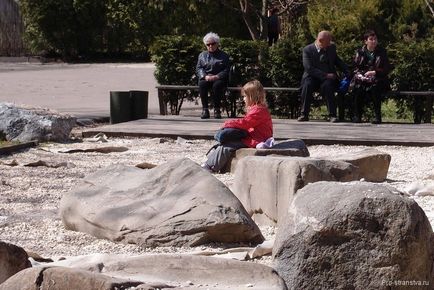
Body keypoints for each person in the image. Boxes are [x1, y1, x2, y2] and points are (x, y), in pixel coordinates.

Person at [202, 80, 273, 173]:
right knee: (226, 142)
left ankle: (211, 167)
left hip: (257, 138)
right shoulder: (258, 108)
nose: (243, 99)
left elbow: (245, 123)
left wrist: (228, 124)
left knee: (227, 146)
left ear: (252, 96)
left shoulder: (259, 110)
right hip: (254, 136)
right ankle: (210, 161)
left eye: (244, 96)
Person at [298, 31, 349, 123]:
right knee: (307, 85)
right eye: (328, 41)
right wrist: (325, 74)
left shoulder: (331, 48)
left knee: (328, 86)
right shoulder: (307, 50)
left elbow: (338, 61)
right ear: (320, 40)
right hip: (312, 77)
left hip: (327, 79)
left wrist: (348, 71)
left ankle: (332, 115)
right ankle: (304, 114)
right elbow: (309, 68)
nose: (330, 43)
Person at [350, 30, 391, 124]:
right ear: (365, 41)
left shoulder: (382, 52)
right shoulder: (359, 52)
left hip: (378, 79)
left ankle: (377, 117)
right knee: (358, 87)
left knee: (375, 88)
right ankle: (357, 116)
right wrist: (360, 75)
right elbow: (355, 67)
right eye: (371, 39)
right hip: (363, 79)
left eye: (375, 39)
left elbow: (386, 69)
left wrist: (374, 72)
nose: (374, 41)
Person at [196, 32, 230, 119]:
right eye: (208, 44)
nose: (210, 46)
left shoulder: (224, 55)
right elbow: (199, 68)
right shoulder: (202, 55)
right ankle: (205, 110)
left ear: (217, 43)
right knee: (202, 84)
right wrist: (204, 76)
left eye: (213, 43)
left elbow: (226, 69)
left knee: (217, 85)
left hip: (219, 78)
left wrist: (217, 76)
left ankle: (217, 110)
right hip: (207, 77)